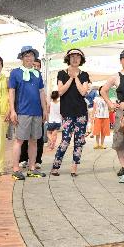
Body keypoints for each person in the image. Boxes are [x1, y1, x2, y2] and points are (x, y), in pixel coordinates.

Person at [8, 46, 47, 180]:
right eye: (26, 56)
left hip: (37, 112)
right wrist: (12, 111)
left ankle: (32, 168)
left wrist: (45, 109)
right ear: (22, 58)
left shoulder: (38, 74)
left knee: (34, 141)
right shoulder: (15, 73)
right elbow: (11, 91)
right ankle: (15, 169)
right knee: (19, 140)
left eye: (31, 55)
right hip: (22, 112)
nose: (29, 58)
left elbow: (41, 92)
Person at [52, 49, 90, 177]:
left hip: (81, 113)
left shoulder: (84, 75)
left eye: (78, 57)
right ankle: (55, 166)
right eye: (72, 57)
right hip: (67, 112)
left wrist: (76, 78)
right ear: (68, 59)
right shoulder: (61, 74)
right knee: (65, 140)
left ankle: (74, 168)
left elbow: (83, 92)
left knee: (79, 141)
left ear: (81, 60)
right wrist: (71, 78)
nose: (75, 59)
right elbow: (60, 91)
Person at [100, 50, 124, 175]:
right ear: (121, 61)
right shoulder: (115, 76)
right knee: (119, 140)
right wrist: (110, 104)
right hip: (121, 111)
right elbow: (103, 91)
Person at [19, 58, 45, 168]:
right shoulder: (23, 75)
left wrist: (45, 109)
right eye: (34, 65)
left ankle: (37, 160)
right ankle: (23, 159)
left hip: (38, 111)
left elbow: (43, 93)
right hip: (25, 111)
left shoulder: (40, 78)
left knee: (38, 138)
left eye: (37, 66)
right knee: (23, 138)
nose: (35, 67)